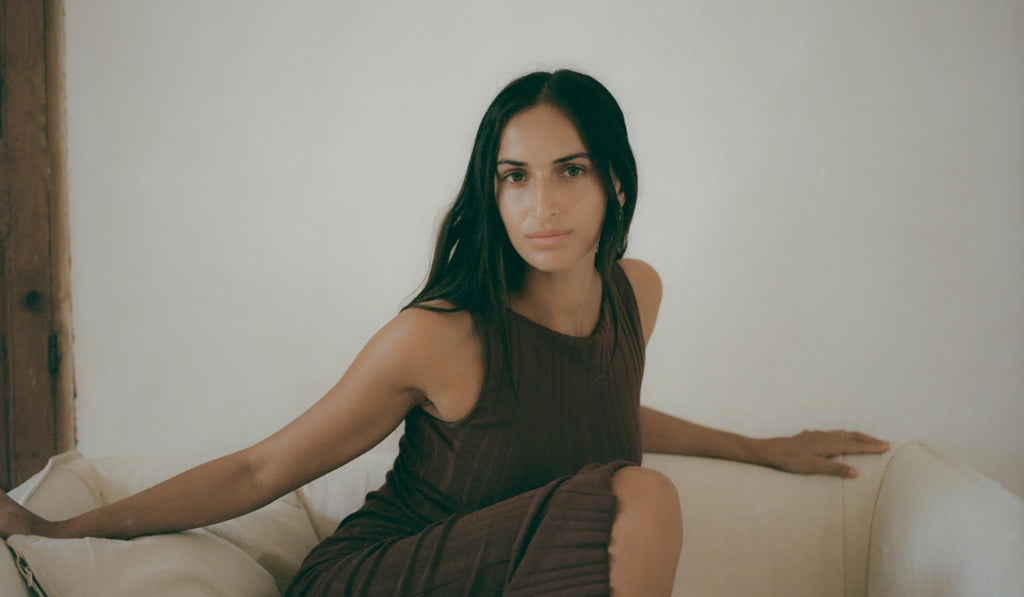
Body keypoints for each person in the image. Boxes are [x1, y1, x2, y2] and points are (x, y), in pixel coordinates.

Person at [0, 69, 889, 596]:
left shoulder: (636, 293)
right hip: (378, 576)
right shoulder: (442, 335)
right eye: (513, 177)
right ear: (490, 191)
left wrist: (760, 446)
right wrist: (64, 527)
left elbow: (601, 410)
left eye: (569, 171)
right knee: (646, 497)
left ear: (616, 182)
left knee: (637, 484)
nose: (539, 205)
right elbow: (260, 469)